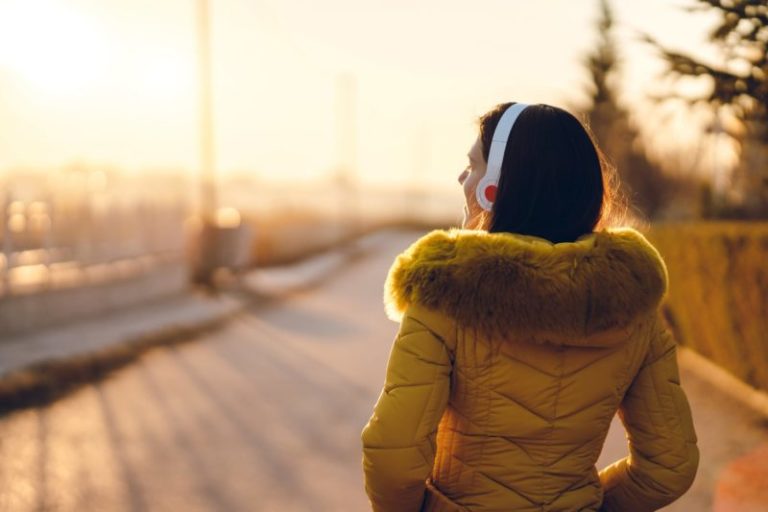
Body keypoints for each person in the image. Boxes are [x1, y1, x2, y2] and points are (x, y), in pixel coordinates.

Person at [360, 102, 699, 511]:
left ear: (496, 187)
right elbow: (670, 466)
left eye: (473, 166)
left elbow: (392, 458)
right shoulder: (632, 306)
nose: (461, 177)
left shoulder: (445, 293)